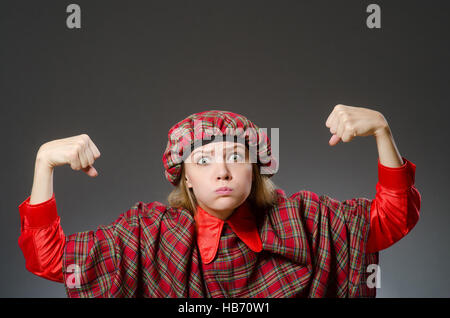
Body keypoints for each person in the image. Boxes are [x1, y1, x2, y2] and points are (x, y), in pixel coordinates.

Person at [18, 106, 421, 297]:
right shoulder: (147, 235)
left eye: (236, 157)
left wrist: (383, 131)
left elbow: (390, 220)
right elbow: (51, 260)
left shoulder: (306, 218)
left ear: (256, 168)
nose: (222, 171)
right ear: (185, 178)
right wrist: (43, 163)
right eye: (204, 160)